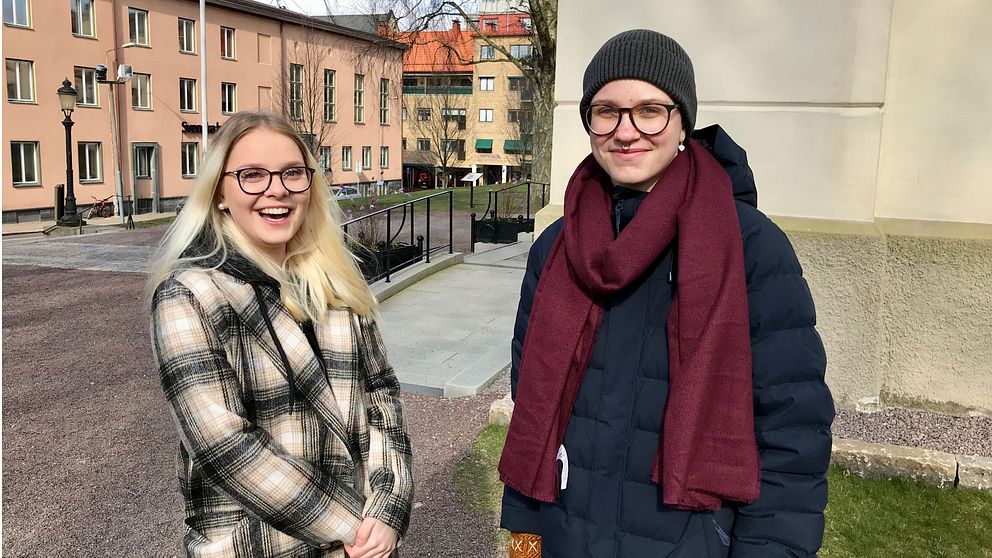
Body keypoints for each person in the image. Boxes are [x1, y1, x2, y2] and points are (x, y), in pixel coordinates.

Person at [498, 30, 834, 558]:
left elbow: (791, 429)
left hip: (690, 540)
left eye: (649, 110)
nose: (626, 132)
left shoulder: (750, 247)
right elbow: (533, 404)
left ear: (682, 121)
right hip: (571, 534)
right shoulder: (556, 248)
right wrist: (526, 528)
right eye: (607, 111)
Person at [148, 112, 413, 558]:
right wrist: (353, 527)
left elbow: (382, 395)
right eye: (252, 175)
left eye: (292, 173)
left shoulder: (334, 283)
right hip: (261, 545)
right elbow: (225, 447)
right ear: (219, 195)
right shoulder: (190, 295)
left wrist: (388, 507)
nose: (277, 189)